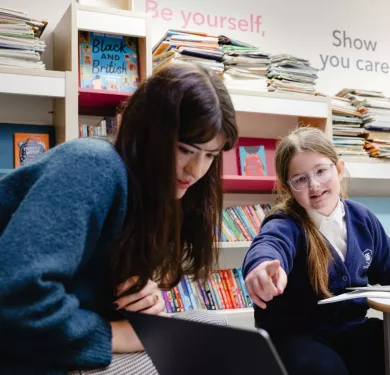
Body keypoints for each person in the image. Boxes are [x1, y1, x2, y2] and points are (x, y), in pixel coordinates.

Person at [0, 61, 238, 374]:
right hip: (21, 349)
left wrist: (137, 302)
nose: (196, 170)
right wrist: (118, 334)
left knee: (211, 326)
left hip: (44, 341)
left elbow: (80, 288)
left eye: (210, 155)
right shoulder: (93, 165)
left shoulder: (152, 194)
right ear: (149, 131)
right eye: (185, 149)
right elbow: (17, 297)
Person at [242, 127, 390, 375]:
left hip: (352, 331)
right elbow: (269, 245)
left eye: (320, 171)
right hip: (299, 336)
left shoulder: (361, 217)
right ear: (289, 187)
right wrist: (262, 266)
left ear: (339, 169)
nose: (314, 185)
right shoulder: (284, 223)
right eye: (300, 179)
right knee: (325, 370)